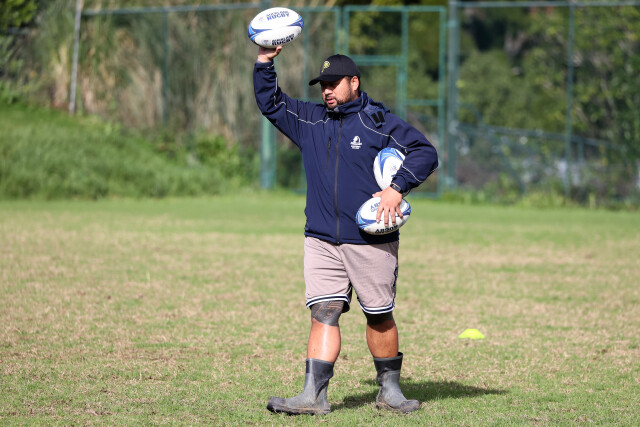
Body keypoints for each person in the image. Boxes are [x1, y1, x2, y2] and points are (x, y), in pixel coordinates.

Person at [253, 45, 438, 415]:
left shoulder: (378, 122)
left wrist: (397, 188)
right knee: (324, 312)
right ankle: (313, 396)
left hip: (370, 240)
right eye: (323, 85)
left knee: (378, 315)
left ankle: (390, 392)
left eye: (334, 84)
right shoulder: (310, 120)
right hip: (321, 239)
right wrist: (264, 62)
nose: (327, 91)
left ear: (354, 82)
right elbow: (271, 103)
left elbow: (425, 152)